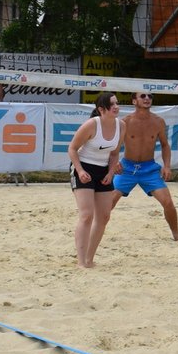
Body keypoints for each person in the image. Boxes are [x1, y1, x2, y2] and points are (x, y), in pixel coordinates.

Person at [112, 91, 178, 243]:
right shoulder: (125, 122)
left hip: (149, 169)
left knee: (168, 203)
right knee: (108, 203)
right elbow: (114, 146)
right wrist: (114, 163)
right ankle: (93, 231)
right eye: (142, 96)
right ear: (134, 101)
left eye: (150, 96)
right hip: (127, 168)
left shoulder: (158, 121)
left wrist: (167, 166)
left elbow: (165, 145)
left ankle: (176, 234)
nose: (147, 98)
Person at [66, 93, 122, 268]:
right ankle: (81, 261)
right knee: (86, 215)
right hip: (83, 167)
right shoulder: (92, 125)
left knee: (104, 216)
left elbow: (114, 154)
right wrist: (80, 170)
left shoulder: (121, 125)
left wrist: (111, 172)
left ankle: (89, 259)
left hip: (103, 169)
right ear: (101, 109)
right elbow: (72, 149)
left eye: (117, 103)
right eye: (112, 104)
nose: (116, 107)